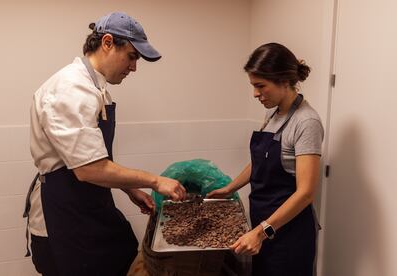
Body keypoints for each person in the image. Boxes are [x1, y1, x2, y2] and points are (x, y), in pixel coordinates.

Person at [23, 11, 187, 276]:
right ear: (107, 42)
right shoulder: (71, 90)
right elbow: (89, 169)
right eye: (132, 56)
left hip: (89, 205)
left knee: (122, 252)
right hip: (63, 218)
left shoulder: (95, 88)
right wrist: (154, 181)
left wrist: (130, 188)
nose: (134, 67)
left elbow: (95, 158)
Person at [207, 43, 323, 275]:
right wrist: (229, 188)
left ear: (283, 80)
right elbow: (260, 162)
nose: (255, 94)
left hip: (289, 234)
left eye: (260, 86)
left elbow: (306, 192)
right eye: (253, 86)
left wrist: (261, 232)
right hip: (263, 225)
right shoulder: (272, 113)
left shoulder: (306, 122)